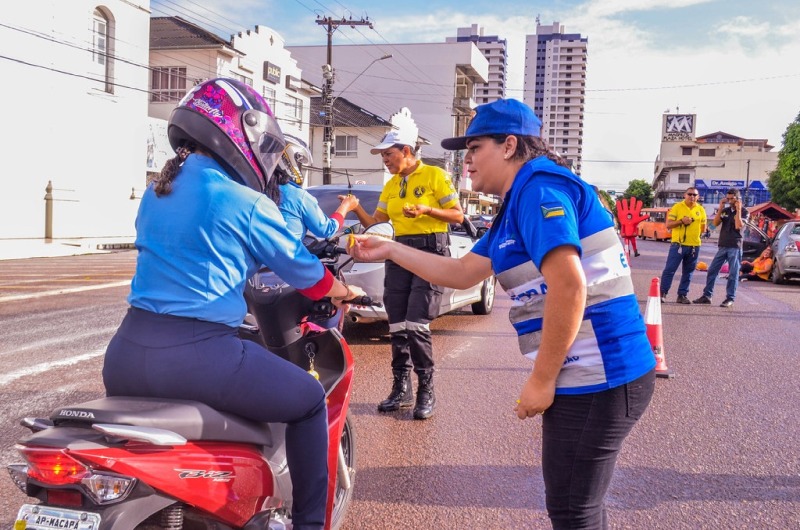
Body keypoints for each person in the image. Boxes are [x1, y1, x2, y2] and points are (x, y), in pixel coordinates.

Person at [348, 99, 655, 528]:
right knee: (576, 507)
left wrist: (542, 380)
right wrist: (391, 248)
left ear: (509, 145)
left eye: (475, 148)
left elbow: (569, 284)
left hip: (601, 375)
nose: (467, 161)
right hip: (591, 373)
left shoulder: (539, 189)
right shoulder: (517, 202)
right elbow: (461, 272)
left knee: (572, 510)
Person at [102, 78, 364, 530]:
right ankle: (308, 524)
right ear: (245, 136)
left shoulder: (156, 191)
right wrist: (342, 291)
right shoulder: (244, 201)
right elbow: (303, 269)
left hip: (125, 354)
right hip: (198, 356)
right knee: (305, 401)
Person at [348, 127, 464, 420]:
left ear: (407, 151)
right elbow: (376, 223)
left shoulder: (435, 176)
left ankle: (426, 389)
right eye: (383, 155)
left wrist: (427, 210)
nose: (384, 160)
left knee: (416, 324)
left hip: (430, 252)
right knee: (397, 324)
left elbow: (458, 215)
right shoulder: (391, 185)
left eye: (389, 154)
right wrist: (355, 206)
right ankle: (402, 389)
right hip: (398, 251)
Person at [266, 134, 360, 240]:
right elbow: (327, 229)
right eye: (300, 163)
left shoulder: (256, 190)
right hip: (288, 255)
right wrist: (346, 206)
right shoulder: (297, 196)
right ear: (290, 161)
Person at [693, 188, 747, 307]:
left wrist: (738, 210)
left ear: (737, 198)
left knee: (733, 273)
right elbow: (715, 224)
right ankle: (707, 296)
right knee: (712, 270)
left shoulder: (744, 211)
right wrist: (720, 208)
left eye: (731, 198)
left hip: (735, 246)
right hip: (723, 245)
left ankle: (730, 298)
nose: (729, 201)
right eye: (727, 198)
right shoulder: (725, 210)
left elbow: (739, 226)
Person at [659, 186, 707, 304]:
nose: (692, 197)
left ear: (698, 197)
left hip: (694, 246)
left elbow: (703, 228)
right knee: (670, 270)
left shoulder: (700, 209)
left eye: (694, 195)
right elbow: (669, 225)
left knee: (688, 272)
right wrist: (681, 221)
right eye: (689, 194)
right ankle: (662, 293)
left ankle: (682, 295)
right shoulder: (677, 207)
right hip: (678, 245)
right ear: (685, 195)